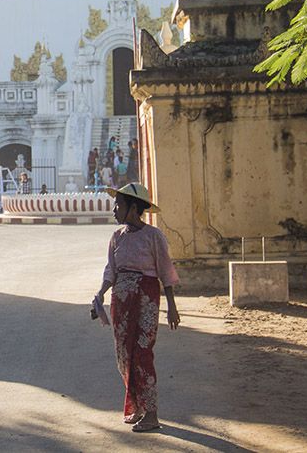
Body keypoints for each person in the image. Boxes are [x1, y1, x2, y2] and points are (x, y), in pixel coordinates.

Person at [96, 182, 180, 433]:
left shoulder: (154, 236)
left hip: (146, 299)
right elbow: (111, 270)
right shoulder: (116, 238)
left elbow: (166, 272)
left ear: (133, 208)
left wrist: (172, 307)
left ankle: (152, 413)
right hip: (121, 302)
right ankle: (138, 407)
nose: (114, 210)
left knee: (142, 353)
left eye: (118, 205)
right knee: (124, 356)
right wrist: (100, 293)